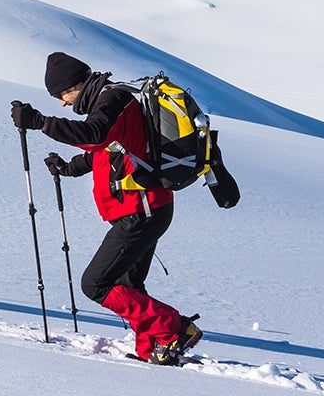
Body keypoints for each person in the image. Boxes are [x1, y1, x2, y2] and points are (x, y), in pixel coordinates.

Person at [10, 51, 202, 365]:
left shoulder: (112, 100)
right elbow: (111, 149)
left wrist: (41, 123)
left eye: (61, 95)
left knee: (95, 284)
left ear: (75, 85)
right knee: (127, 285)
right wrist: (68, 168)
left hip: (140, 212)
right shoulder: (112, 99)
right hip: (147, 208)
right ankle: (154, 348)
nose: (62, 103)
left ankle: (174, 329)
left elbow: (95, 135)